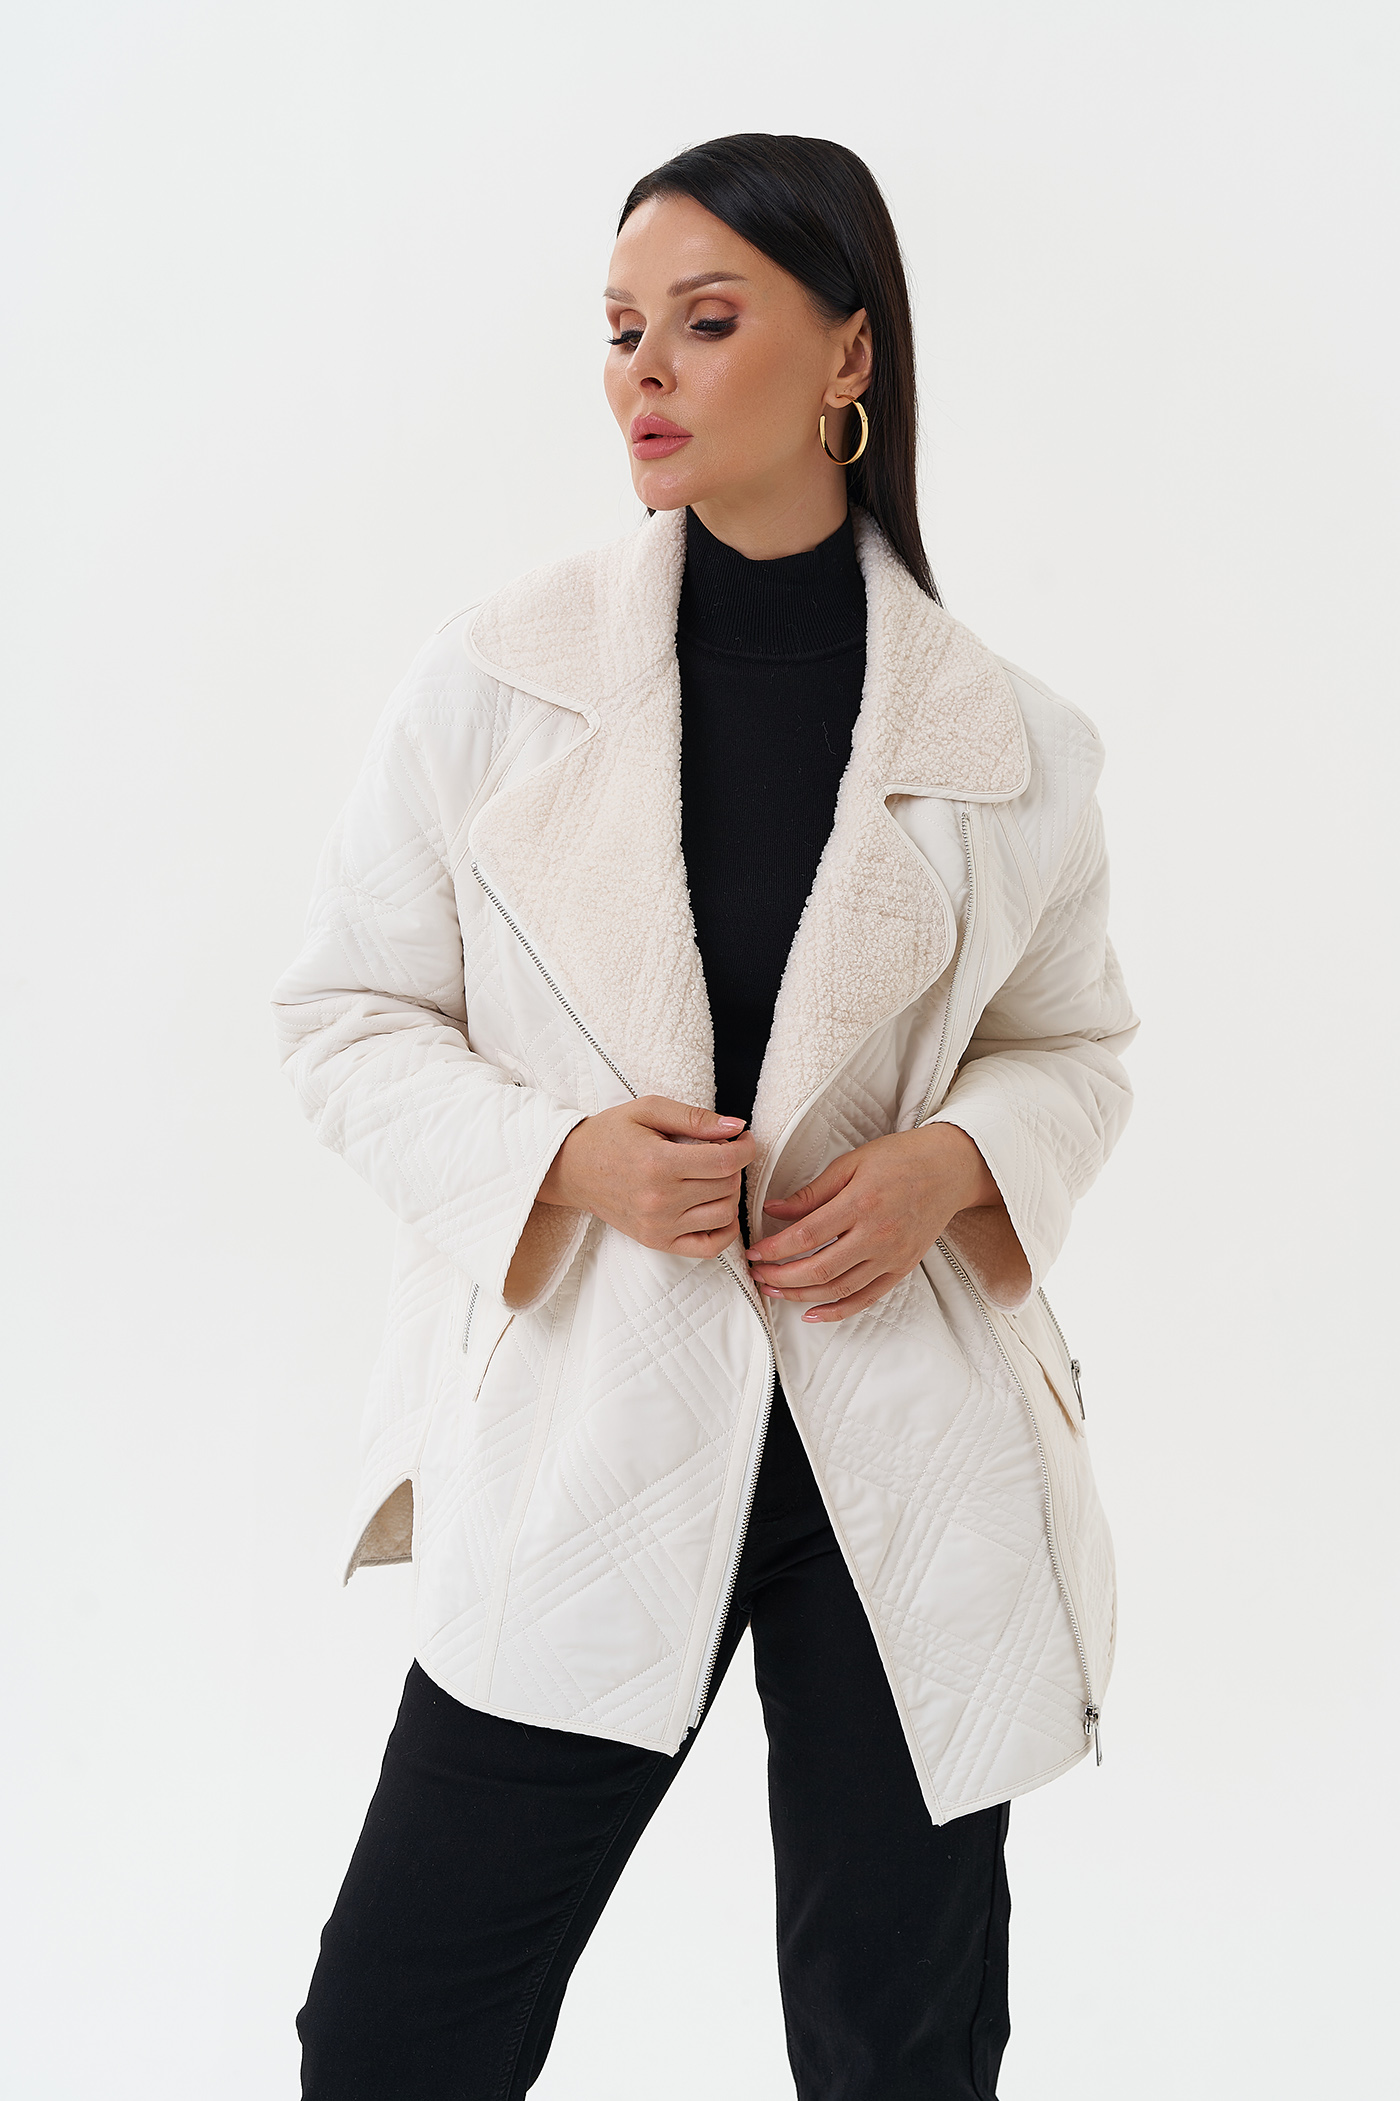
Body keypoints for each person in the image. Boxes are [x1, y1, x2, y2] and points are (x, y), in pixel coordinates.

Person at [274, 132, 1137, 2101]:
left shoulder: (1016, 744)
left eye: (705, 320)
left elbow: (1073, 1045)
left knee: (897, 2047)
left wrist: (951, 1166)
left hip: (896, 1438)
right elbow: (345, 1013)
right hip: (598, 1413)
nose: (642, 371)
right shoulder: (493, 682)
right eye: (618, 331)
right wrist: (560, 1159)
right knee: (397, 2026)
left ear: (849, 351)